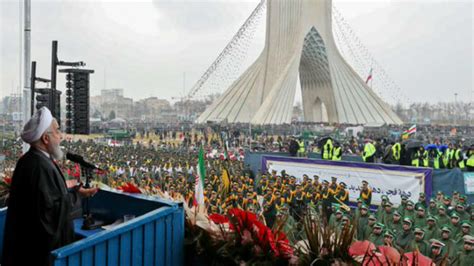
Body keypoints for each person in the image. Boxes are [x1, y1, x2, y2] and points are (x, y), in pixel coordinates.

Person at [2, 107, 98, 266]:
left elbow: (48, 199)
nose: (60, 137)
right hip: (37, 255)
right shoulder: (40, 166)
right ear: (46, 138)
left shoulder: (31, 160)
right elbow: (51, 212)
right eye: (57, 131)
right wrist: (77, 196)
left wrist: (76, 192)